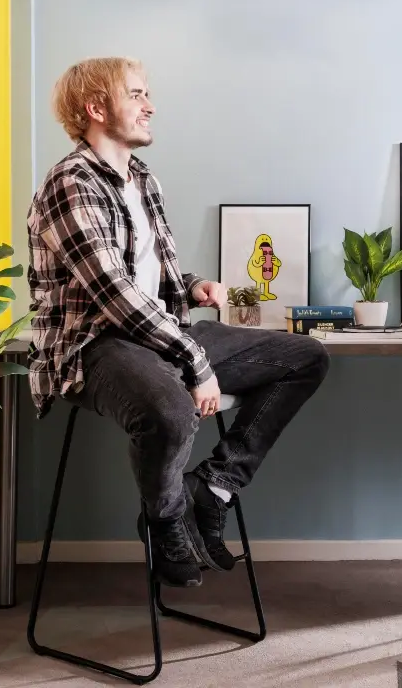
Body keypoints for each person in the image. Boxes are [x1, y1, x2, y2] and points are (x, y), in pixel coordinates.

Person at [27, 57, 330, 588]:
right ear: (96, 108)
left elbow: (136, 267)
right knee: (171, 412)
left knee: (305, 357)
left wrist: (189, 285)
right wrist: (195, 364)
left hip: (160, 334)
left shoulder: (141, 179)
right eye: (137, 94)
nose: (151, 105)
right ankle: (164, 518)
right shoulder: (69, 183)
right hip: (96, 345)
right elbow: (114, 293)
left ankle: (210, 490)